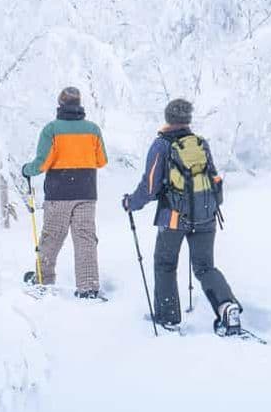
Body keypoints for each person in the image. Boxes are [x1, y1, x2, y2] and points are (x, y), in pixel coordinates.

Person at [122, 98, 242, 335]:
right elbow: (212, 176)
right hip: (206, 216)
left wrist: (131, 203)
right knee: (205, 267)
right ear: (188, 119)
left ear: (168, 118)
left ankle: (168, 317)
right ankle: (227, 306)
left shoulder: (161, 145)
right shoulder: (200, 143)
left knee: (165, 264)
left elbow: (149, 187)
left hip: (175, 218)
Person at [22, 87, 108, 298]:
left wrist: (26, 169)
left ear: (60, 104)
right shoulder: (93, 130)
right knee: (85, 238)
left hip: (59, 192)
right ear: (79, 103)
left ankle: (44, 280)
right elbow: (102, 161)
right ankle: (88, 286)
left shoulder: (51, 129)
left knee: (52, 237)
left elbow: (41, 164)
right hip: (86, 192)